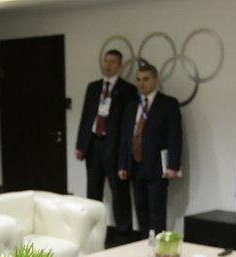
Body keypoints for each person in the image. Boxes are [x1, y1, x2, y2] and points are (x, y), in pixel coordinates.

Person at [74, 49, 138, 235]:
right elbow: (86, 117)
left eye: (112, 62)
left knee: (119, 193)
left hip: (115, 148)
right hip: (94, 145)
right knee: (93, 192)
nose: (108, 65)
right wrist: (80, 144)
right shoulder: (93, 87)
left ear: (119, 65)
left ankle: (123, 233)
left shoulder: (127, 90)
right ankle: (93, 234)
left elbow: (127, 124)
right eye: (106, 61)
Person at [118, 60, 183, 236]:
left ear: (155, 81)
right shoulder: (132, 105)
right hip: (135, 166)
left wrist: (173, 166)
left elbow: (175, 136)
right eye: (138, 79)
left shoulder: (168, 104)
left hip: (157, 168)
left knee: (157, 212)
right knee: (141, 210)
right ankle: (145, 246)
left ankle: (159, 248)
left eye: (146, 79)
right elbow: (126, 137)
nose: (141, 83)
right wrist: (123, 165)